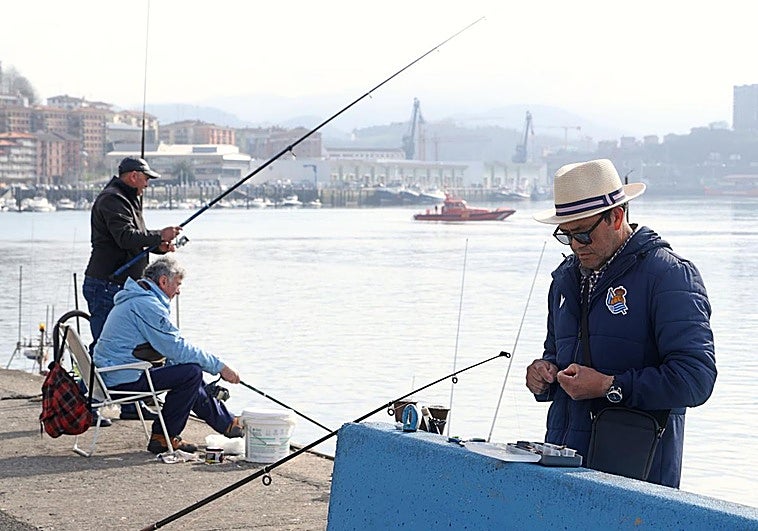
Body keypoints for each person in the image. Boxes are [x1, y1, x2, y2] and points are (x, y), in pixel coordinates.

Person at [525, 158, 716, 488]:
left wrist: (608, 386)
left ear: (616, 216)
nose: (574, 246)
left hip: (637, 482)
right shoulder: (564, 281)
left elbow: (696, 379)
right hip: (562, 470)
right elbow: (557, 354)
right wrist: (544, 375)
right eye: (566, 235)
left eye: (583, 234)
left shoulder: (670, 275)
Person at [93, 256, 243, 454]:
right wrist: (220, 367)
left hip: (115, 373)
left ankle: (227, 423)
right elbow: (176, 348)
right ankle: (164, 437)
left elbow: (172, 351)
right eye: (177, 285)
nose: (179, 291)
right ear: (163, 281)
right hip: (122, 379)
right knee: (191, 373)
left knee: (189, 371)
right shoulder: (146, 306)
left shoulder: (137, 299)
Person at [83, 156, 182, 423]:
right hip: (105, 284)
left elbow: (131, 243)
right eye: (146, 178)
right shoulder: (112, 199)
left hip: (119, 286)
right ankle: (86, 406)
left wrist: (157, 247)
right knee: (104, 348)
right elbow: (125, 237)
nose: (148, 184)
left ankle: (129, 404)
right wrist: (159, 235)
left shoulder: (128, 200)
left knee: (130, 348)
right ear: (133, 175)